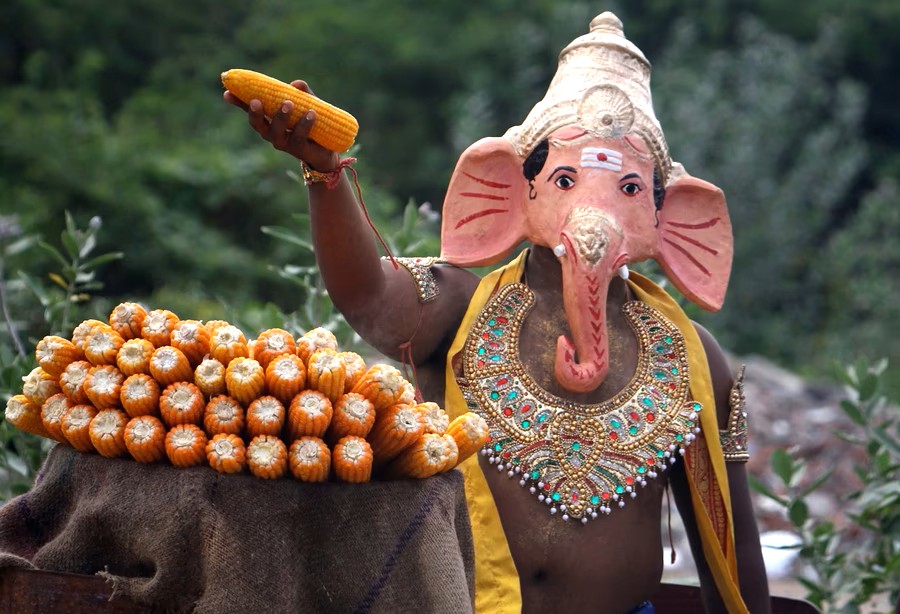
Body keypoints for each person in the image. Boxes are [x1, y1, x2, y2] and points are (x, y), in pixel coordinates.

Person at [225, 12, 770, 614]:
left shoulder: (690, 355)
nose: (596, 210)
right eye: (565, 178)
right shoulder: (459, 307)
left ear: (674, 220)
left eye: (631, 189)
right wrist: (325, 175)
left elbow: (732, 542)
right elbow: (370, 300)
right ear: (509, 191)